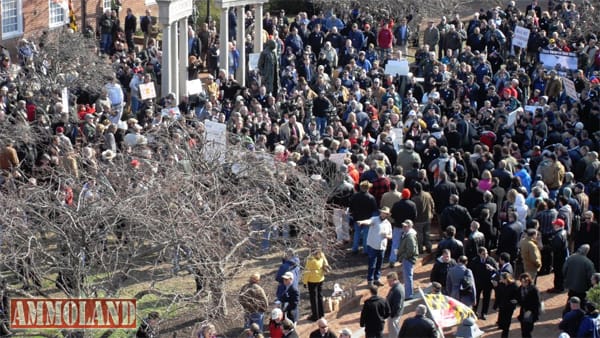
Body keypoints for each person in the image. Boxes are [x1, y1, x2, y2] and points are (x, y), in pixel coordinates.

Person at [357, 206, 393, 286]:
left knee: (379, 264)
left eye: (385, 213)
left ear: (387, 215)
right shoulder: (375, 219)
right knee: (372, 264)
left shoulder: (388, 224)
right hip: (372, 245)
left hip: (382, 246)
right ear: (380, 213)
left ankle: (377, 278)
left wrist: (386, 236)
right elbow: (368, 221)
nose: (384, 214)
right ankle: (370, 280)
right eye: (383, 213)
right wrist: (362, 222)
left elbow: (391, 236)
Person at [468, 247, 498, 319]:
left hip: (487, 284)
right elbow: (470, 272)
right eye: (483, 254)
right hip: (477, 283)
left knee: (486, 299)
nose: (486, 255)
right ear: (479, 254)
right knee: (476, 298)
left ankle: (484, 313)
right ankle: (474, 312)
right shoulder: (474, 261)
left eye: (486, 253)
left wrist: (492, 269)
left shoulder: (491, 260)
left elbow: (496, 271)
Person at [349, 180, 378, 254]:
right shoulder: (371, 198)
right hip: (367, 219)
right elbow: (374, 209)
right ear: (368, 188)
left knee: (357, 233)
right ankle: (365, 250)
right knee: (366, 234)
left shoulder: (355, 196)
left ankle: (355, 248)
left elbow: (351, 207)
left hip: (357, 218)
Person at [302, 248, 331, 321]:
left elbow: (307, 272)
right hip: (320, 278)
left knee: (313, 298)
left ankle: (315, 316)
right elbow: (326, 263)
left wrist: (304, 282)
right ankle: (321, 313)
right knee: (320, 295)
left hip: (312, 280)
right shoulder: (322, 255)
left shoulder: (310, 259)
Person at [397, 220, 419, 299]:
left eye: (405, 226)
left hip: (408, 259)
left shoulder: (410, 236)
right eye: (403, 226)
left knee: (408, 277)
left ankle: (409, 295)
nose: (403, 227)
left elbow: (411, 250)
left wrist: (403, 256)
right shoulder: (406, 234)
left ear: (410, 227)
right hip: (407, 258)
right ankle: (408, 293)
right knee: (407, 276)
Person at [493, 272, 519, 338]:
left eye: (501, 278)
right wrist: (495, 305)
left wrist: (516, 301)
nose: (500, 279)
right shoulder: (501, 284)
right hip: (502, 305)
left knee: (507, 322)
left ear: (505, 279)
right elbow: (498, 295)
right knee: (502, 320)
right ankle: (502, 327)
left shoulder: (514, 285)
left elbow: (518, 295)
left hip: (509, 307)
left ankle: (505, 335)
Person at [517, 272, 541, 337]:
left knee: (527, 331)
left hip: (531, 313)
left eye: (524, 282)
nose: (522, 283)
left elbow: (537, 303)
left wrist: (533, 312)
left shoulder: (533, 290)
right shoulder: (520, 289)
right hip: (523, 312)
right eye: (521, 282)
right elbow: (519, 299)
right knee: (523, 331)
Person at [386, 272, 405, 338]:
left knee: (393, 332)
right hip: (394, 314)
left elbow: (397, 305)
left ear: (394, 279)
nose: (388, 283)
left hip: (394, 315)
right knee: (394, 330)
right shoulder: (396, 287)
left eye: (389, 281)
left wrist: (392, 315)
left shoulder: (397, 290)